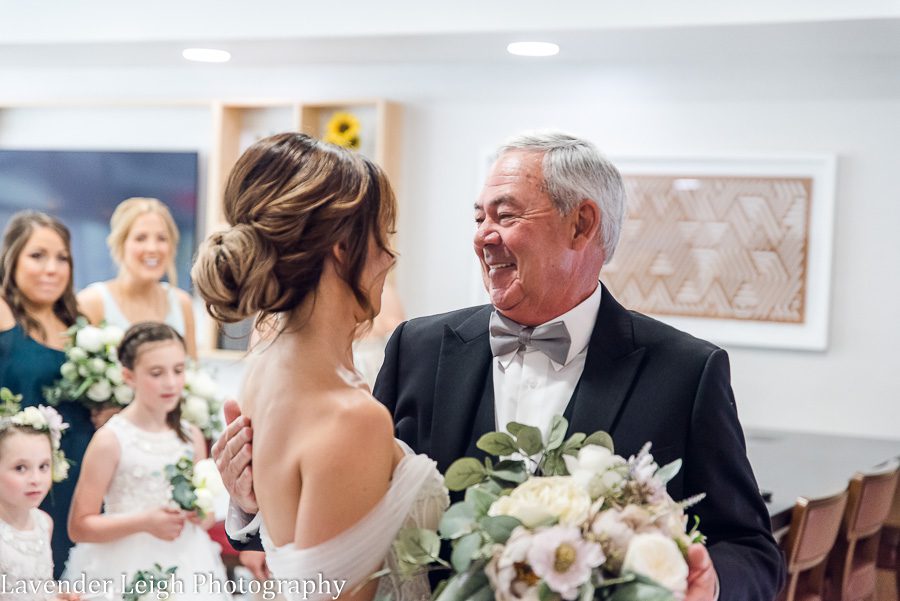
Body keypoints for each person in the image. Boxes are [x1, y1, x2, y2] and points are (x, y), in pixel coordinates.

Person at [217, 131, 786, 601]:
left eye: (506, 216)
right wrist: (251, 505)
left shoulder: (686, 372)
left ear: (582, 225)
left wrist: (706, 582)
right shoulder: (418, 346)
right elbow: (350, 531)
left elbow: (753, 551)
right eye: (478, 216)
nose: (482, 238)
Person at [192, 132, 448, 601]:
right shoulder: (351, 417)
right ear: (342, 249)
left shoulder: (262, 369)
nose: (390, 257)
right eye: (382, 236)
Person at [63, 322, 229, 600]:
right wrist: (144, 522)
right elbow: (79, 527)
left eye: (178, 370)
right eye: (156, 373)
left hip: (187, 563)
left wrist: (198, 514)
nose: (171, 383)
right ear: (128, 376)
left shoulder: (191, 436)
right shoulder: (111, 439)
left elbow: (207, 513)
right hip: (122, 567)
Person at [0, 211, 93, 579]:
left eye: (62, 258)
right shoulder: (5, 314)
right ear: (13, 259)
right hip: (18, 478)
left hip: (78, 471)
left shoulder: (79, 324)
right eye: (37, 256)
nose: (51, 268)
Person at [77, 197, 197, 358]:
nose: (152, 248)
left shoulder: (182, 304)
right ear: (121, 244)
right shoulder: (92, 302)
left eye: (161, 238)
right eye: (141, 238)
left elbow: (192, 370)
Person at [0, 403, 79, 600]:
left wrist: (57, 595)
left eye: (43, 466)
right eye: (20, 468)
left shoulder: (44, 523)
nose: (36, 479)